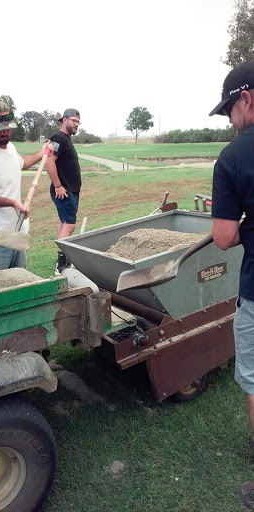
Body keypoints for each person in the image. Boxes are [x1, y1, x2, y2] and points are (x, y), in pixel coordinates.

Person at [210, 60, 254, 508]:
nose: (230, 120)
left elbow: (222, 237)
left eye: (229, 110)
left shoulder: (236, 156)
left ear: (247, 99)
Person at [0, 97, 52, 271]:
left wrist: (41, 153)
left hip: (17, 234)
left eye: (7, 128)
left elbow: (22, 163)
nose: (4, 133)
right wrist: (11, 202)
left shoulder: (10, 148)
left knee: (19, 288)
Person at [46, 108, 81, 273]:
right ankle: (62, 265)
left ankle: (62, 262)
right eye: (74, 121)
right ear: (64, 120)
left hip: (69, 190)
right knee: (69, 225)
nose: (76, 125)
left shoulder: (65, 139)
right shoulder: (58, 137)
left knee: (64, 224)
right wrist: (58, 185)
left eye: (78, 122)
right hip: (64, 190)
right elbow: (49, 161)